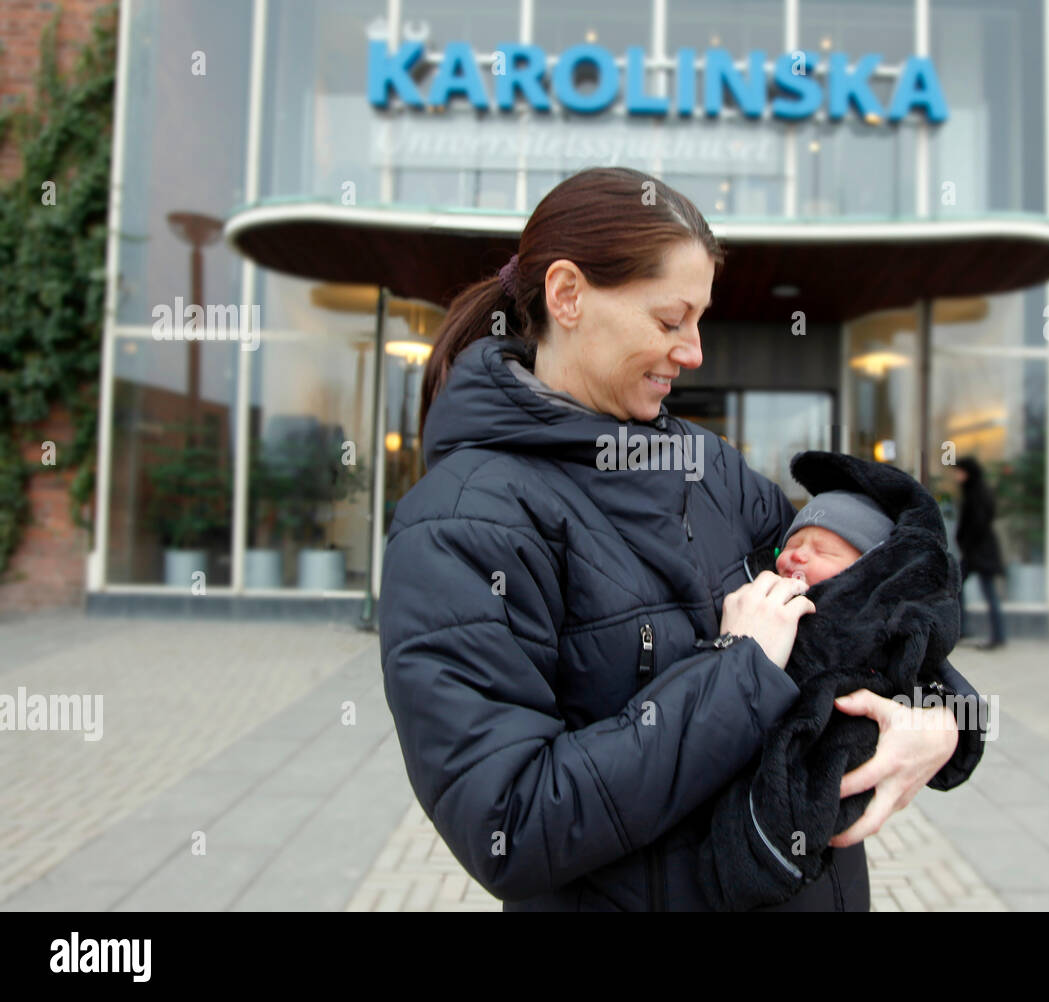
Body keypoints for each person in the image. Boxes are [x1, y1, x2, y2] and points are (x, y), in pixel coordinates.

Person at [378, 166, 986, 911]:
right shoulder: (462, 524)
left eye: (699, 321)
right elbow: (510, 822)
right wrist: (740, 671)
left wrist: (940, 717)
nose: (694, 351)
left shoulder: (709, 467)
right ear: (567, 296)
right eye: (671, 321)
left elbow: (852, 603)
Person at [699, 451, 985, 911]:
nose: (796, 555)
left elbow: (939, 681)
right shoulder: (762, 597)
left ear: (864, 570)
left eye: (824, 550)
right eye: (794, 543)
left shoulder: (882, 618)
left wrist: (944, 724)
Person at [953, 457, 1007, 650]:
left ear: (967, 473)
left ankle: (997, 636)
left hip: (979, 551)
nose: (956, 476)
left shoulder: (976, 493)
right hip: (978, 550)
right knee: (959, 586)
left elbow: (977, 523)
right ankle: (964, 629)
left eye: (959, 471)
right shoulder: (977, 491)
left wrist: (966, 542)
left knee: (983, 591)